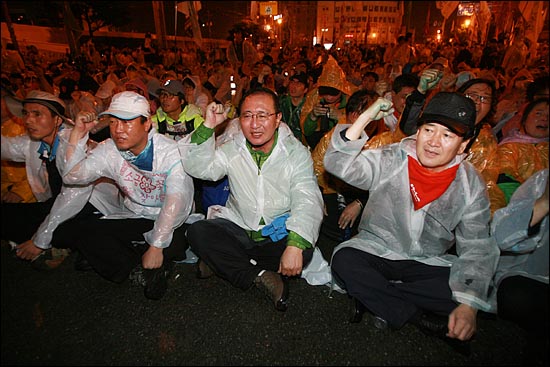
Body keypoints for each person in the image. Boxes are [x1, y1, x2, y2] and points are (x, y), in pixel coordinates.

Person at [324, 92, 499, 352]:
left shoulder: (470, 184)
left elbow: (476, 245)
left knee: (475, 291)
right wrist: (365, 118)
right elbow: (338, 164)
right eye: (429, 130)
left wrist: (468, 305)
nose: (433, 142)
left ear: (464, 144)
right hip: (377, 251)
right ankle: (420, 318)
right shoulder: (392, 158)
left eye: (448, 135)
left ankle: (375, 297)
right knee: (345, 261)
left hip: (425, 261)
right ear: (418, 130)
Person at [182, 87, 323, 312]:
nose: (254, 124)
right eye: (247, 116)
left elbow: (307, 199)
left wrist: (295, 245)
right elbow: (200, 168)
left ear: (277, 119)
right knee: (197, 232)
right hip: (239, 228)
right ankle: (259, 276)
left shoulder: (296, 153)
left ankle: (224, 263)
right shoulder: (233, 149)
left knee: (302, 250)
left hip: (276, 234)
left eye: (262, 115)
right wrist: (209, 126)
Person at [55, 91, 196, 300]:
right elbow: (72, 177)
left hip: (173, 219)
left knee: (175, 241)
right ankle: (135, 269)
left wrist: (157, 245)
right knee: (81, 230)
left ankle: (146, 257)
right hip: (137, 215)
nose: (118, 130)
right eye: (113, 122)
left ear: (146, 124)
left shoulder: (170, 152)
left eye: (127, 122)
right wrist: (78, 134)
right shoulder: (108, 150)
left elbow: (177, 201)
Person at [0, 90, 104, 269]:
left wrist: (39, 241)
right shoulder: (35, 142)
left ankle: (58, 245)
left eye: (37, 114)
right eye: (26, 113)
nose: (28, 120)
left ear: (57, 120)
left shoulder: (71, 143)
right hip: (59, 204)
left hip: (92, 208)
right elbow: (7, 147)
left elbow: (73, 197)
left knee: (67, 229)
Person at [490, 168, 548, 366]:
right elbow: (501, 237)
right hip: (533, 278)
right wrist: (544, 203)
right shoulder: (543, 181)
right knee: (515, 295)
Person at [482, 99, 549, 215]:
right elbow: (503, 185)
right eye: (539, 113)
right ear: (524, 119)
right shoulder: (509, 148)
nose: (545, 119)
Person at [300, 55, 357, 149]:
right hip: (317, 146)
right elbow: (306, 131)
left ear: (341, 90)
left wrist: (341, 117)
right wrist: (313, 116)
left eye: (333, 94)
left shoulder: (352, 99)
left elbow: (361, 129)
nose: (329, 97)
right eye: (325, 93)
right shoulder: (314, 96)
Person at [278, 71, 309, 143]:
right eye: (292, 82)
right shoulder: (282, 102)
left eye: (298, 84)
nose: (293, 86)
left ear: (305, 89)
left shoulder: (308, 106)